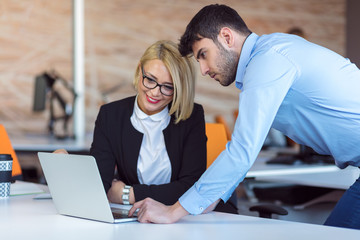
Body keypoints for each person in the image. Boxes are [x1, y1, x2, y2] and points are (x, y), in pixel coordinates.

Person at [129, 4, 360, 229]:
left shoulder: (268, 61)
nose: (203, 70)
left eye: (203, 55)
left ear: (227, 37)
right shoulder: (270, 54)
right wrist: (210, 199)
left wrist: (173, 212)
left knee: (337, 233)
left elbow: (242, 151)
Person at [56, 40, 236, 213]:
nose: (155, 92)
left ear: (179, 88)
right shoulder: (111, 115)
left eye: (167, 87)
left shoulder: (191, 115)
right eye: (150, 79)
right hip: (137, 220)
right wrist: (67, 169)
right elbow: (100, 183)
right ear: (139, 71)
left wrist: (129, 194)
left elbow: (191, 187)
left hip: (183, 219)